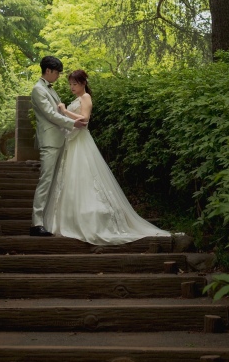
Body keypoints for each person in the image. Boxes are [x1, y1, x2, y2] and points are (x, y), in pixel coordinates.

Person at [43, 68, 171, 246]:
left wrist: (64, 111)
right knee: (73, 179)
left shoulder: (86, 97)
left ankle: (90, 218)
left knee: (85, 176)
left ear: (83, 84)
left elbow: (84, 120)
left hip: (81, 141)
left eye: (75, 84)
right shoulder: (77, 99)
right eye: (70, 84)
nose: (72, 87)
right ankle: (70, 218)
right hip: (72, 142)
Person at [29, 55, 87, 236]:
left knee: (55, 182)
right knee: (45, 181)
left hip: (60, 139)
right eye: (57, 73)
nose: (58, 76)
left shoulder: (50, 90)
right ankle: (36, 223)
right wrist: (72, 124)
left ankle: (48, 220)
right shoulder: (38, 90)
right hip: (50, 141)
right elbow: (50, 115)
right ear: (48, 71)